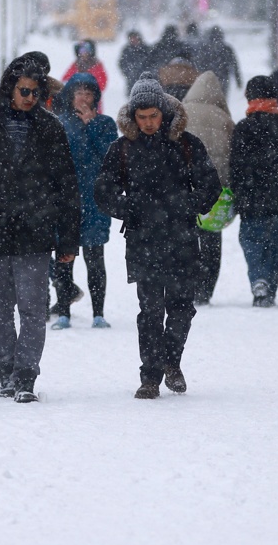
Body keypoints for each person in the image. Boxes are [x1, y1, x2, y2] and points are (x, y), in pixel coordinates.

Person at [0, 51, 80, 402]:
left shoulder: (49, 128)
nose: (30, 98)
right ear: (10, 88)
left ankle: (25, 376)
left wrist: (69, 239)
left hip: (35, 229)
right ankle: (5, 369)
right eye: (24, 91)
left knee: (34, 306)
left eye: (36, 92)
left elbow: (67, 186)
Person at [94, 72, 222, 399]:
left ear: (164, 112)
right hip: (143, 240)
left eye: (154, 116)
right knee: (150, 311)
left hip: (181, 239)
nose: (149, 122)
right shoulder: (122, 149)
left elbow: (211, 186)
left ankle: (171, 362)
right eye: (142, 117)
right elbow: (103, 192)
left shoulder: (187, 145)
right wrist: (130, 206)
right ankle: (150, 376)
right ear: (133, 116)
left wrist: (185, 205)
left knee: (182, 308)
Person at [50, 72, 118, 329]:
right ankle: (64, 312)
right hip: (66, 202)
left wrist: (92, 127)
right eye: (79, 93)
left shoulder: (106, 124)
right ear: (70, 96)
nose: (84, 98)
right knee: (64, 259)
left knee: (95, 258)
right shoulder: (59, 124)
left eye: (89, 93)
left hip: (95, 201)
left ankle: (98, 313)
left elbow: (109, 157)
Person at [228, 75, 278, 307]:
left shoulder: (243, 128)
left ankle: (259, 280)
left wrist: (239, 194)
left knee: (251, 240)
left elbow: (236, 167)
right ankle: (270, 288)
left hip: (251, 198)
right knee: (276, 247)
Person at [182, 70, 236, 305]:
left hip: (187, 187)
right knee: (212, 237)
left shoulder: (181, 114)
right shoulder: (224, 118)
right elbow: (232, 155)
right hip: (215, 188)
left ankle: (188, 284)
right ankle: (206, 287)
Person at [195, 26, 242, 96]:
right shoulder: (227, 48)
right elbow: (234, 65)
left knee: (208, 100)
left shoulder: (205, 48)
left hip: (208, 79)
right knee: (222, 101)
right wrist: (238, 80)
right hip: (223, 78)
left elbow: (199, 64)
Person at [118, 30, 153, 96]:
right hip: (131, 81)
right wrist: (128, 73)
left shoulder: (146, 49)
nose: (133, 40)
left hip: (146, 81)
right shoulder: (126, 50)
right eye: (131, 38)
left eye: (135, 38)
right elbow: (122, 64)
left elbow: (152, 63)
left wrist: (147, 74)